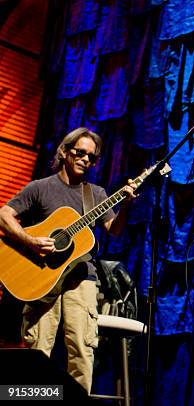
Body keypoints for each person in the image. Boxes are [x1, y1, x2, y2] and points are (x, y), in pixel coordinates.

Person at [0, 127, 136, 393]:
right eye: (81, 153)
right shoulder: (40, 188)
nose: (86, 160)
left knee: (82, 353)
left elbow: (115, 230)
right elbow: (4, 214)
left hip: (82, 277)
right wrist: (30, 241)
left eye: (92, 157)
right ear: (65, 152)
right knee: (37, 350)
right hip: (41, 277)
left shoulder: (95, 194)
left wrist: (127, 204)